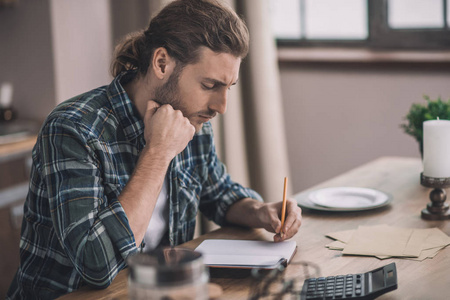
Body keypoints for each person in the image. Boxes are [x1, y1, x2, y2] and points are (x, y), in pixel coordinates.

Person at [7, 0, 302, 299]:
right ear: (162, 63)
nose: (220, 107)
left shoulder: (193, 119)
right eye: (210, 84)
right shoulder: (73, 129)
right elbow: (96, 264)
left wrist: (260, 211)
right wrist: (158, 152)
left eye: (229, 87)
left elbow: (218, 193)